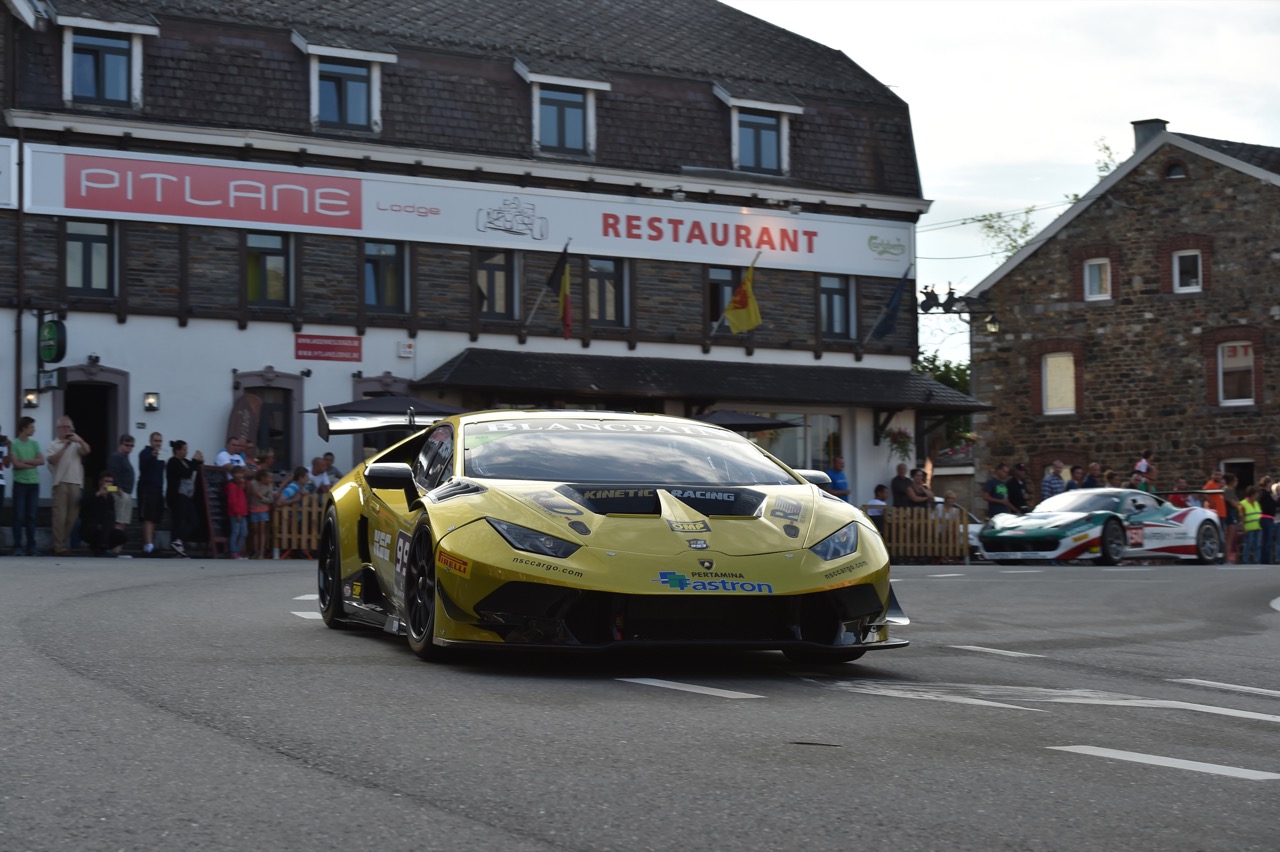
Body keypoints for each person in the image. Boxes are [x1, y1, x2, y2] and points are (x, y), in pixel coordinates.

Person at [46, 416, 90, 556]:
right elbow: (52, 460)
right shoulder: (53, 444)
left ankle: (60, 544)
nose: (67, 430)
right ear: (58, 429)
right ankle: (59, 547)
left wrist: (80, 440)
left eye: (69, 427)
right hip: (60, 483)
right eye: (64, 427)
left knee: (72, 518)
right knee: (60, 517)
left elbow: (88, 451)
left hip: (76, 483)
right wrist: (64, 446)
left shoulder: (77, 444)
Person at [9, 417, 43, 556]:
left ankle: (31, 546)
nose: (33, 430)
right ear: (23, 428)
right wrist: (32, 464)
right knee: (18, 515)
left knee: (32, 516)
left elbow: (41, 461)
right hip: (20, 484)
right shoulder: (14, 444)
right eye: (31, 427)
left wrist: (27, 461)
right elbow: (15, 465)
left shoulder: (34, 444)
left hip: (34, 484)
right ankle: (17, 546)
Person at [166, 440, 204, 557]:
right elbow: (186, 473)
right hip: (178, 495)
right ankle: (177, 546)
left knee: (194, 520)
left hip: (187, 496)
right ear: (177, 450)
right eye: (184, 449)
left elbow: (195, 468)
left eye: (186, 449)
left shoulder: (185, 461)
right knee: (179, 521)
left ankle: (178, 542)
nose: (186, 452)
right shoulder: (173, 462)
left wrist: (200, 460)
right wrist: (194, 461)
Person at [81, 470, 128, 557]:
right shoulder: (92, 492)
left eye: (110, 482)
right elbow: (82, 504)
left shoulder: (110, 497)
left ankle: (102, 547)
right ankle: (101, 547)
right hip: (91, 526)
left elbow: (112, 513)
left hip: (106, 527)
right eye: (106, 481)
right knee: (101, 524)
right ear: (100, 481)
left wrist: (116, 490)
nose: (108, 484)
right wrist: (99, 494)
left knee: (121, 535)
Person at [106, 434, 138, 547]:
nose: (129, 447)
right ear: (121, 444)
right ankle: (114, 545)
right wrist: (118, 489)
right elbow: (112, 474)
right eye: (127, 445)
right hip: (120, 493)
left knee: (123, 521)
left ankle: (118, 546)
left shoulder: (124, 458)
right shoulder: (116, 457)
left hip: (126, 493)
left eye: (131, 445)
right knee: (119, 520)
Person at [137, 432, 165, 554]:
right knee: (148, 517)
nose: (158, 443)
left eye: (159, 441)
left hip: (158, 489)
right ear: (150, 441)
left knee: (154, 518)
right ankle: (148, 545)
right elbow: (143, 467)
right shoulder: (145, 453)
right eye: (155, 441)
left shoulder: (162, 455)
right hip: (147, 489)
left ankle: (150, 544)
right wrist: (152, 456)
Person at [248, 467, 276, 559]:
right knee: (255, 531)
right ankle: (256, 551)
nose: (270, 480)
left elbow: (271, 499)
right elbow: (251, 494)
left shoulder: (269, 486)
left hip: (263, 509)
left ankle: (261, 552)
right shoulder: (253, 483)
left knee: (262, 531)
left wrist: (261, 498)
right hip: (253, 509)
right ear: (262, 478)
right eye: (269, 478)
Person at [225, 465, 249, 559]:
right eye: (237, 473)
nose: (240, 475)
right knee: (236, 532)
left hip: (242, 513)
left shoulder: (240, 485)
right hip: (235, 513)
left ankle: (237, 552)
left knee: (244, 532)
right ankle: (234, 552)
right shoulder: (232, 485)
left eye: (241, 473)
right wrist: (238, 512)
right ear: (233, 474)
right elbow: (233, 501)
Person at [1239, 485, 1261, 564]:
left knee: (1257, 546)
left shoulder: (1256, 503)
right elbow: (1242, 517)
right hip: (1248, 529)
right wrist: (1243, 528)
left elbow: (1259, 514)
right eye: (1256, 494)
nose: (1258, 495)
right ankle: (1245, 561)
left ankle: (1257, 562)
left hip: (1257, 528)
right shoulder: (1243, 504)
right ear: (1252, 494)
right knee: (1247, 546)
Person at [1257, 476, 1276, 565]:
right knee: (1266, 541)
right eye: (1271, 483)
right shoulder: (1264, 494)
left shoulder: (1266, 494)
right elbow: (1267, 506)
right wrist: (1274, 500)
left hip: (1268, 518)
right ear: (1268, 484)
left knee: (1266, 540)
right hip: (1266, 518)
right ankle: (1265, 560)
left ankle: (1266, 559)